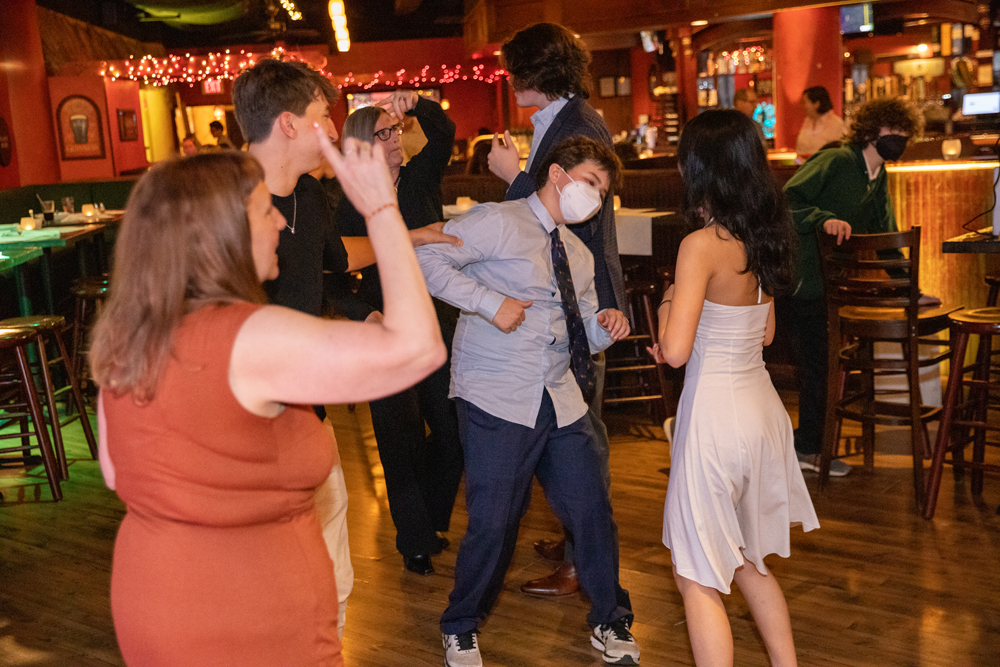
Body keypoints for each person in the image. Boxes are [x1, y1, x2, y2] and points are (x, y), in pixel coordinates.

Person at [92, 141, 446, 665]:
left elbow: (115, 472)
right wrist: (381, 211)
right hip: (244, 622)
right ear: (223, 236)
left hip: (157, 601)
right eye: (264, 211)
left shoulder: (126, 338)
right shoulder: (248, 337)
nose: (280, 221)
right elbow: (418, 349)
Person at [231, 57, 457, 638]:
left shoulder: (309, 195)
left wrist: (409, 233)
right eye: (322, 115)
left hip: (309, 413)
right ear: (288, 123)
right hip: (248, 428)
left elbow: (337, 258)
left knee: (332, 573)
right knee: (267, 583)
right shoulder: (223, 203)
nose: (334, 129)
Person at [418, 136, 638, 667]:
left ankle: (610, 618)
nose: (596, 198)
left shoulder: (578, 253)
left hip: (559, 394)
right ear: (558, 174)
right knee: (494, 521)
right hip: (496, 392)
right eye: (591, 182)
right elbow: (426, 258)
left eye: (603, 191)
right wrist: (489, 302)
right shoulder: (498, 220)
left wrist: (605, 326)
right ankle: (460, 625)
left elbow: (581, 327)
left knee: (592, 510)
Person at [647, 109, 819, 667]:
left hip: (715, 417)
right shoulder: (765, 235)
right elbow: (764, 333)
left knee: (696, 577)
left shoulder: (701, 244)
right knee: (748, 561)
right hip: (762, 410)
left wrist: (669, 299)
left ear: (699, 168)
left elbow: (674, 351)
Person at [488, 20, 629, 599]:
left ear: (534, 71)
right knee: (569, 426)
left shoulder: (579, 124)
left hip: (581, 300)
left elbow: (574, 217)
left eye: (513, 70)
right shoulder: (564, 119)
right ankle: (577, 543)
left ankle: (582, 561)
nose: (508, 80)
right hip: (571, 295)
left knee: (579, 434)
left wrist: (514, 177)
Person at [335, 91, 464, 576]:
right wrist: (363, 314)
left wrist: (419, 104)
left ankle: (427, 517)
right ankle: (414, 540)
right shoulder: (347, 203)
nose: (394, 139)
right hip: (383, 328)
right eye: (382, 134)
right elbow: (332, 278)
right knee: (399, 437)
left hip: (435, 321)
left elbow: (444, 132)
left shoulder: (420, 177)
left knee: (452, 431)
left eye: (394, 130)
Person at [783, 97, 924, 477]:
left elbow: (884, 233)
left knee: (824, 366)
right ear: (872, 130)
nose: (899, 138)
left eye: (904, 132)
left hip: (831, 283)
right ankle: (807, 449)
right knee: (818, 367)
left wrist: (909, 289)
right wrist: (823, 218)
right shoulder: (837, 160)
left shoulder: (878, 176)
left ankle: (807, 446)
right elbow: (787, 199)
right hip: (804, 279)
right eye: (893, 130)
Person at [795, 86, 848, 161]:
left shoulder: (837, 124)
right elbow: (799, 153)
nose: (803, 106)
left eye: (805, 102)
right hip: (804, 166)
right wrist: (798, 163)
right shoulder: (806, 122)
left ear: (817, 104)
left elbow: (841, 153)